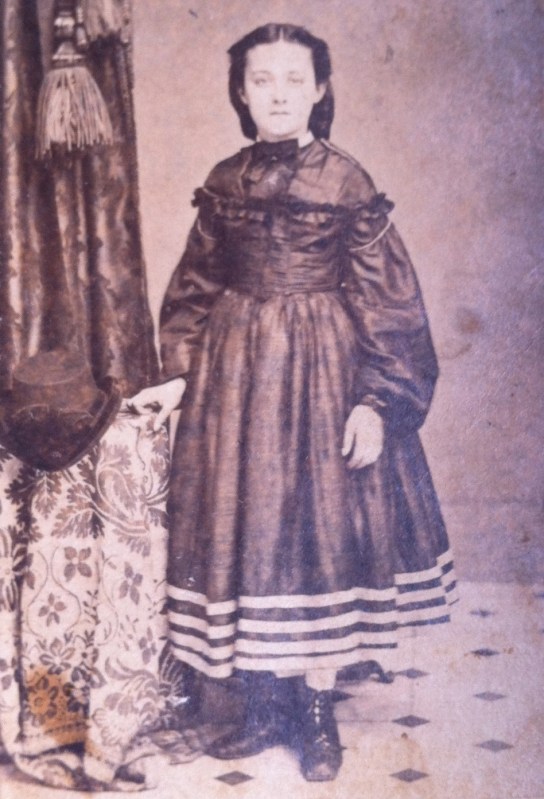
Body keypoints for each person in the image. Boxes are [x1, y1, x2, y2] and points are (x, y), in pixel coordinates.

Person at [129, 22, 456, 782]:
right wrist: (178, 375)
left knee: (315, 534)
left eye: (293, 80)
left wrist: (377, 403)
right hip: (233, 381)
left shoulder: (346, 182)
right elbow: (194, 288)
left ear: (319, 90)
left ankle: (314, 710)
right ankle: (264, 703)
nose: (278, 95)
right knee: (249, 530)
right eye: (262, 80)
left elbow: (391, 304)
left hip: (322, 377)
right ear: (241, 94)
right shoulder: (225, 181)